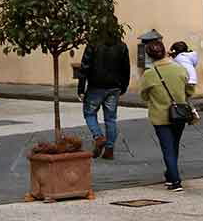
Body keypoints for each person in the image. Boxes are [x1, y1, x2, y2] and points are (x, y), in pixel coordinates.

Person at [139, 39, 194, 192]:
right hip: (179, 115)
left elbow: (143, 95)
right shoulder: (179, 69)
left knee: (167, 148)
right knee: (174, 145)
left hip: (160, 116)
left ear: (149, 56)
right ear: (164, 51)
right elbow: (189, 90)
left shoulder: (149, 74)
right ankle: (170, 175)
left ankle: (175, 181)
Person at [77, 17, 130, 160]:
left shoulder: (93, 44)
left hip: (96, 85)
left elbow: (84, 67)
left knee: (89, 113)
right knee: (111, 119)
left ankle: (98, 136)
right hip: (114, 87)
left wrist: (81, 89)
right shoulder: (122, 45)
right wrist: (124, 87)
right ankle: (110, 149)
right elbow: (126, 69)